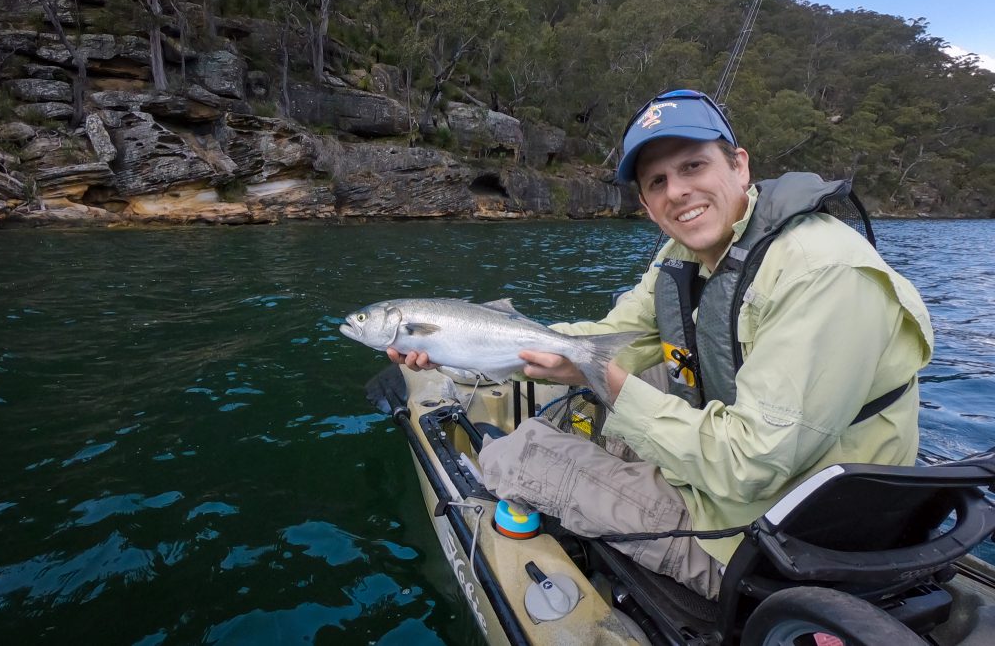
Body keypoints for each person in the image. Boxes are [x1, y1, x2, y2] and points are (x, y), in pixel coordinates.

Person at [389, 89, 934, 600]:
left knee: (516, 453)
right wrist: (469, 344)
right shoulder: (682, 255)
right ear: (647, 204)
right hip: (757, 483)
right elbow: (608, 341)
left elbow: (750, 465)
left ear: (739, 165)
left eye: (693, 166)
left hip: (782, 539)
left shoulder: (822, 273)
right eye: (656, 182)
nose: (677, 192)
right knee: (639, 377)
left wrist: (615, 390)